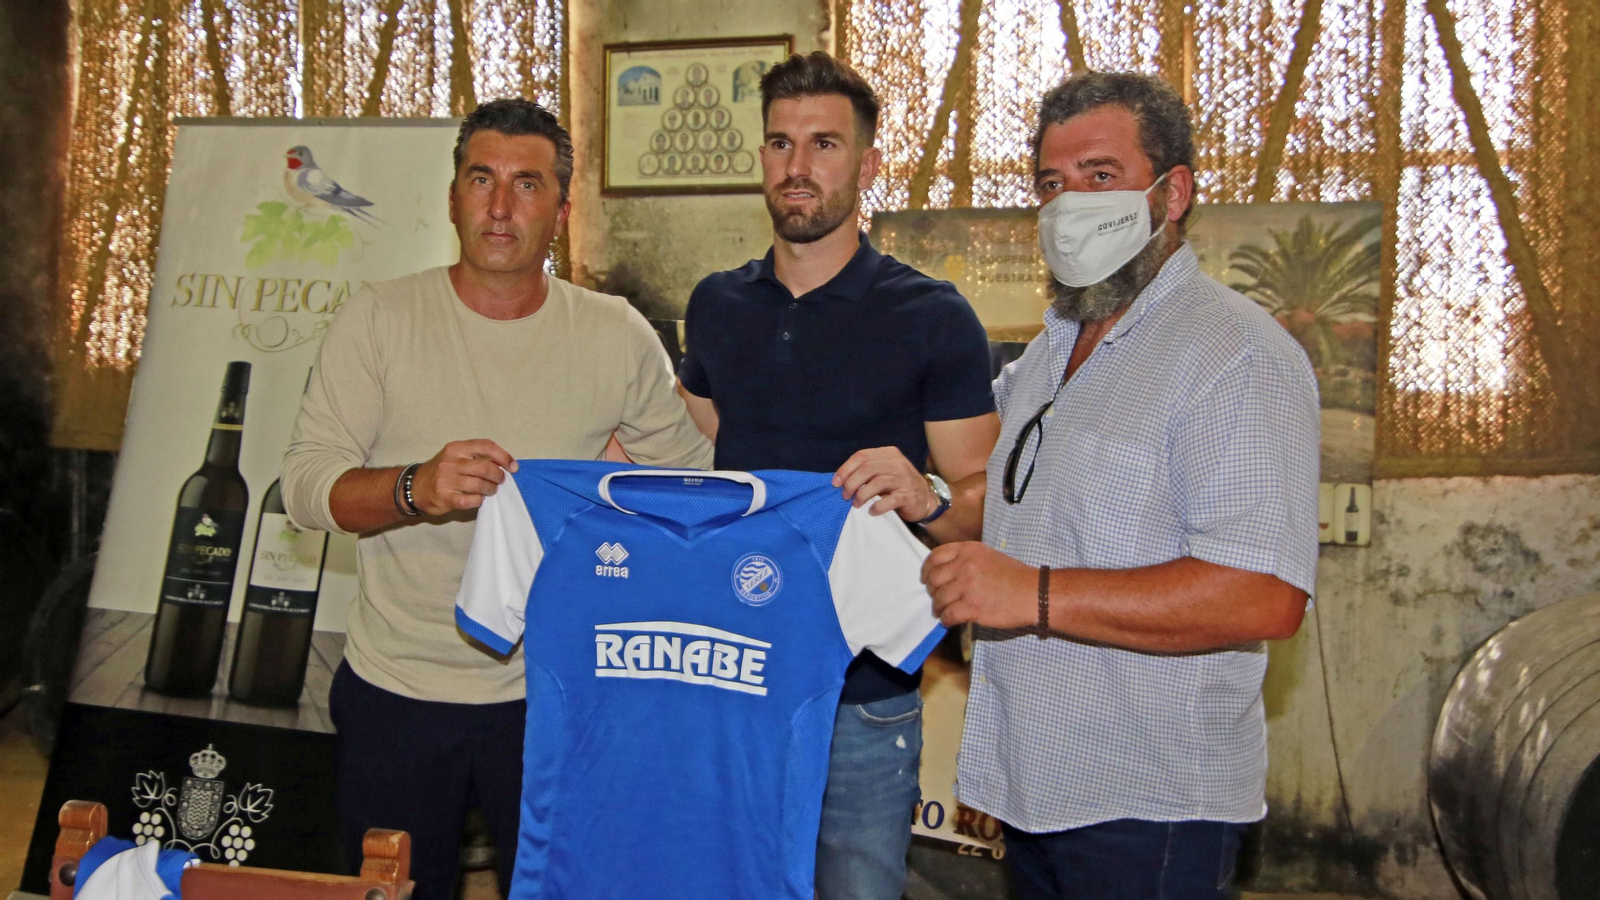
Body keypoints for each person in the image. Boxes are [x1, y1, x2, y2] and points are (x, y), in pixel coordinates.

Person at [280, 98, 711, 900]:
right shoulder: (380, 318)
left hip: (558, 693)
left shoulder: (616, 333)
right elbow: (305, 487)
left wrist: (626, 488)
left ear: (562, 211)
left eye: (527, 184)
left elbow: (697, 490)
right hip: (398, 690)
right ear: (453, 197)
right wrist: (415, 487)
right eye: (482, 180)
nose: (501, 206)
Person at [921, 71, 1320, 898]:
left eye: (1100, 175)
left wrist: (1032, 594)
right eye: (1051, 183)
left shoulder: (1234, 356)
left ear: (1172, 193)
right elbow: (1020, 514)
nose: (1070, 204)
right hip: (1038, 790)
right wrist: (925, 500)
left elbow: (1264, 595)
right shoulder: (1051, 352)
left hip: (1150, 807)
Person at [675, 51, 1000, 900]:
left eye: (824, 144)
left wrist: (927, 495)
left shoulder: (932, 317)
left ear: (867, 162)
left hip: (864, 687)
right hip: (731, 672)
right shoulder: (716, 304)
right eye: (781, 143)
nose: (799, 166)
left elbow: (987, 503)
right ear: (761, 158)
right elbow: (707, 431)